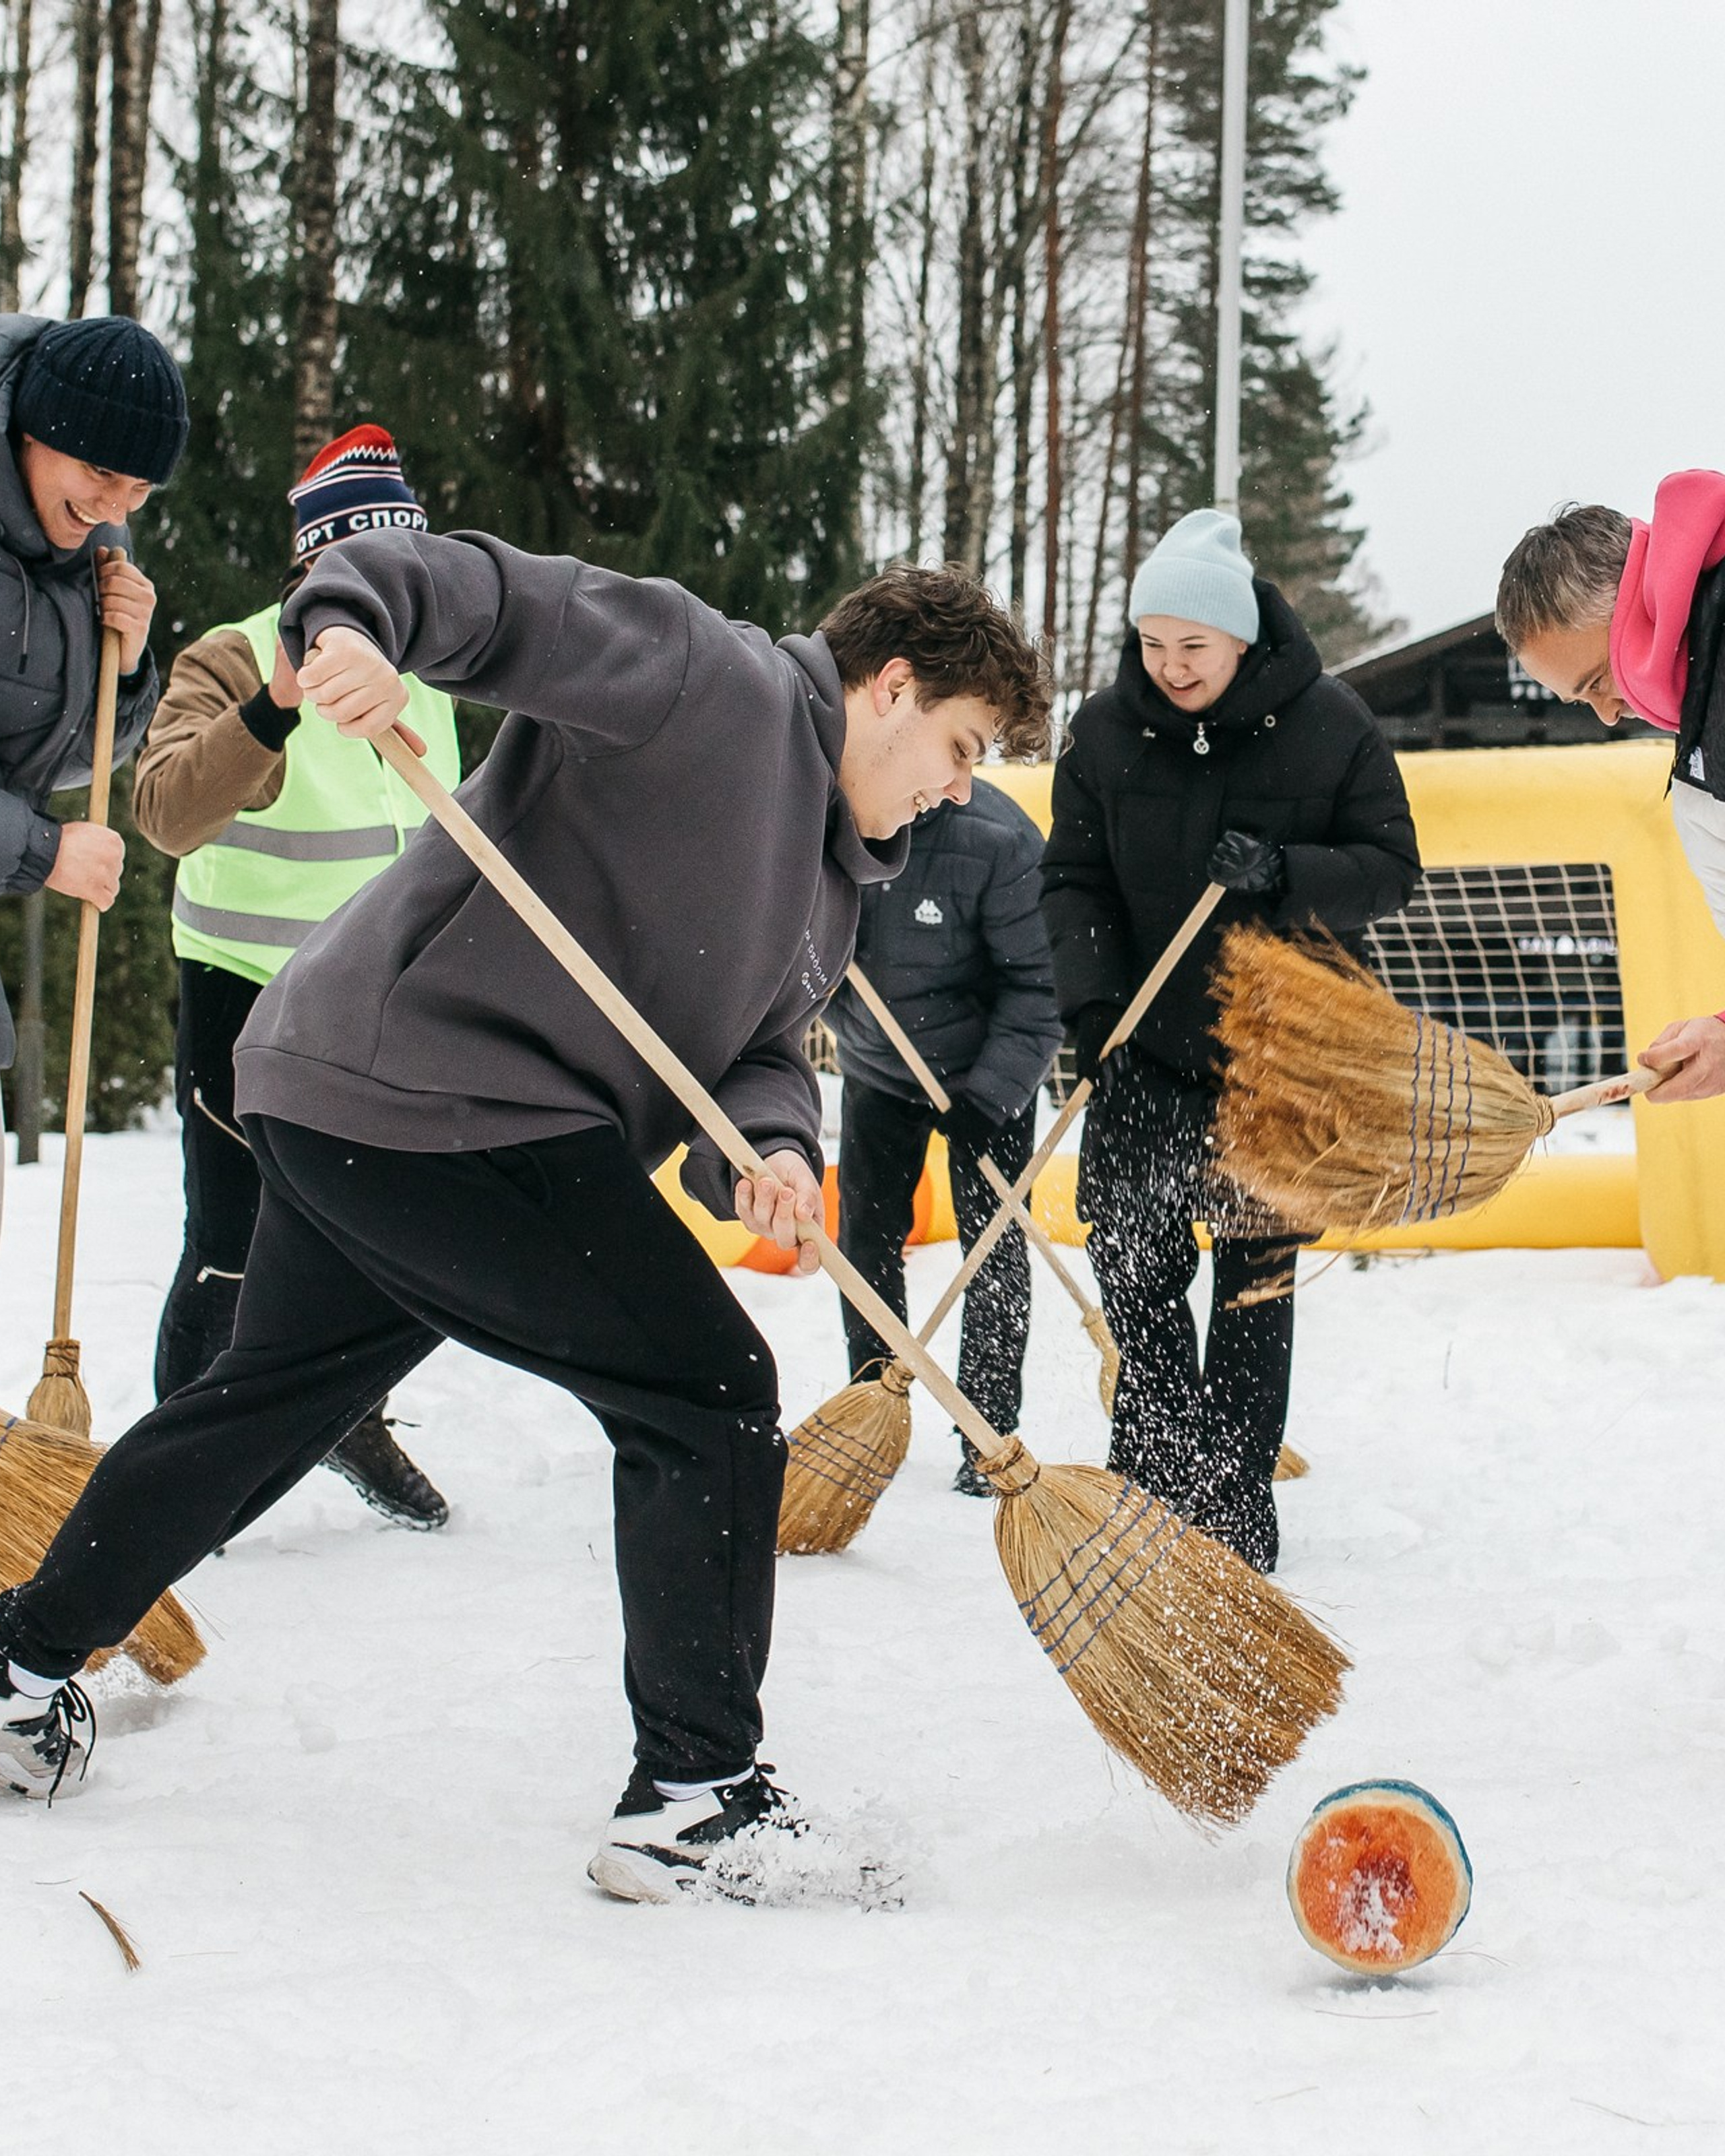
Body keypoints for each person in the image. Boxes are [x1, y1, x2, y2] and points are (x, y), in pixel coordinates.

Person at [0, 545, 1050, 1903]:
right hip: (440, 1091)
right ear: (891, 686)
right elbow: (473, 591)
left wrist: (778, 1144)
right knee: (707, 1388)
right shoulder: (707, 677)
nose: (959, 784)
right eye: (960, 744)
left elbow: (759, 1047)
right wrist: (356, 631)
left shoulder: (832, 879)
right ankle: (694, 1800)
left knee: (266, 1402)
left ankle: (22, 1666)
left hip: (371, 1099)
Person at [1042, 509, 1420, 1572]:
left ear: (1242, 637)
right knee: (1133, 1259)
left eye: (1191, 648)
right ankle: (1156, 1474)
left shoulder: (1330, 723)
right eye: (1151, 645)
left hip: (1278, 1054)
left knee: (1255, 1281)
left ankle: (1231, 1501)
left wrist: (1288, 871)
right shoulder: (1105, 731)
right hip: (1142, 1046)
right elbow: (1071, 877)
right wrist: (1092, 1011)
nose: (1169, 669)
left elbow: (1391, 867)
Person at [133, 424, 458, 1528]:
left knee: (387, 1246)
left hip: (378, 1004)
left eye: (410, 568)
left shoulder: (432, 677)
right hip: (245, 992)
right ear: (319, 563)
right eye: (372, 568)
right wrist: (272, 704)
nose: (395, 593)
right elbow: (169, 812)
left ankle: (346, 1415)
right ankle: (173, 1477)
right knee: (230, 1246)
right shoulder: (233, 654)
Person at [0, 314, 186, 1217]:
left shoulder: (90, 545)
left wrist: (128, 664)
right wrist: (40, 849)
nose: (116, 508)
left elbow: (76, 758)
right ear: (34, 429)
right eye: (100, 474)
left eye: (141, 488)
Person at [827, 784, 1063, 1494]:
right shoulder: (833, 817)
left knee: (992, 1244)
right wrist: (850, 1025)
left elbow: (1040, 985)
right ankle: (872, 1411)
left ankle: (985, 1428)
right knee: (864, 1236)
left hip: (983, 1075)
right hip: (877, 1065)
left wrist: (991, 1094)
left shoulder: (999, 841)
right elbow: (802, 949)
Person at [1497, 478, 1725, 1103]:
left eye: (1598, 678)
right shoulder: (1702, 760)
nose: (1606, 713)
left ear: (1638, 607)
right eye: (1581, 699)